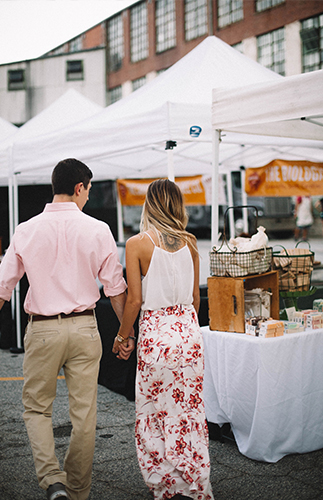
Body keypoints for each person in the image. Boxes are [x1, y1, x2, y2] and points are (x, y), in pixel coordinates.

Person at [0, 158, 135, 500]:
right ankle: (77, 491)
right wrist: (125, 334)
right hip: (85, 328)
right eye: (88, 190)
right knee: (84, 415)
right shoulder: (98, 229)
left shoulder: (25, 229)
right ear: (79, 187)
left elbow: (3, 287)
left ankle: (52, 480)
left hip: (43, 329)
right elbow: (115, 289)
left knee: (36, 409)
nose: (89, 196)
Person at [112, 179, 214, 500]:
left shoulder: (136, 244)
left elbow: (134, 301)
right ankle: (196, 480)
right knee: (189, 413)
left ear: (149, 204)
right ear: (177, 205)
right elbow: (196, 299)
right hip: (188, 332)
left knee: (154, 412)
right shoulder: (192, 242)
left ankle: (166, 484)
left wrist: (122, 336)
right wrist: (188, 326)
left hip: (157, 336)